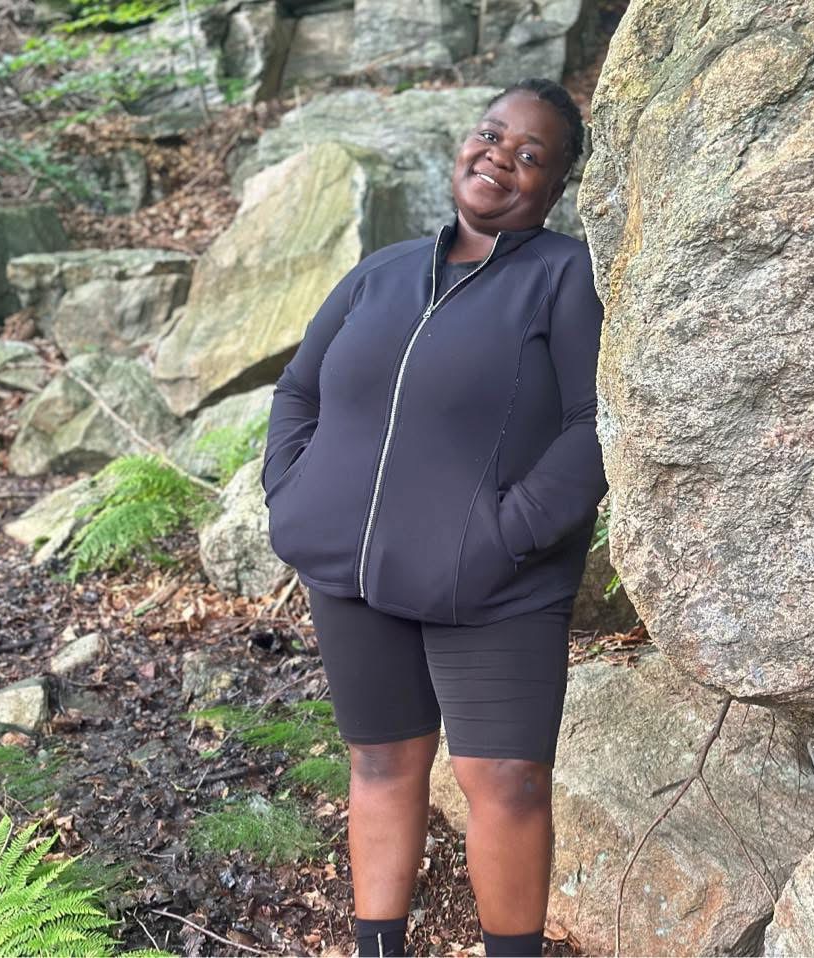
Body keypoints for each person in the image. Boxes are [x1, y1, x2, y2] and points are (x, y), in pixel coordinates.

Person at [261, 77, 608, 958]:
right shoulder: (380, 272)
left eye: (530, 153)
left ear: (556, 183)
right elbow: (299, 388)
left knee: (509, 781)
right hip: (351, 572)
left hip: (494, 584)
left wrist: (506, 535)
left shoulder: (565, 277)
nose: (500, 157)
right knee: (381, 762)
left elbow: (595, 424)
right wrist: (293, 493)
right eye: (491, 135)